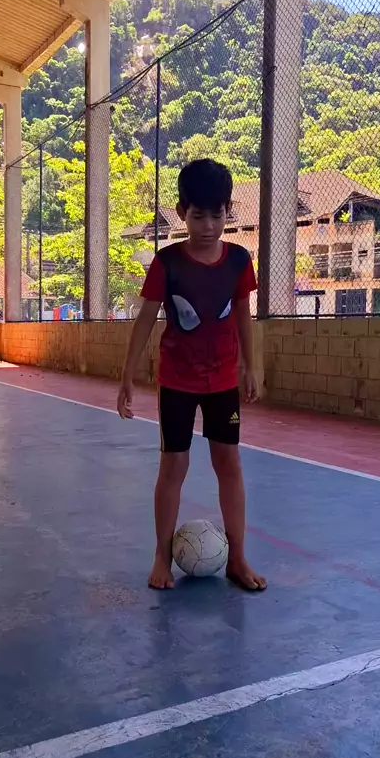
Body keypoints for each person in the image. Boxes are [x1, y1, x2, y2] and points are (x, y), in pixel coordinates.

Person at [117, 158, 267, 592]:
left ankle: (237, 558)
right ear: (182, 212)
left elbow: (243, 315)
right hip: (177, 383)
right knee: (174, 465)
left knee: (229, 463)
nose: (208, 226)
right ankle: (161, 557)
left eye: (217, 216)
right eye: (198, 216)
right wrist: (127, 376)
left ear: (228, 211)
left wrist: (251, 366)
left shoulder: (238, 260)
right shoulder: (167, 263)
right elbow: (145, 320)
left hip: (223, 383)